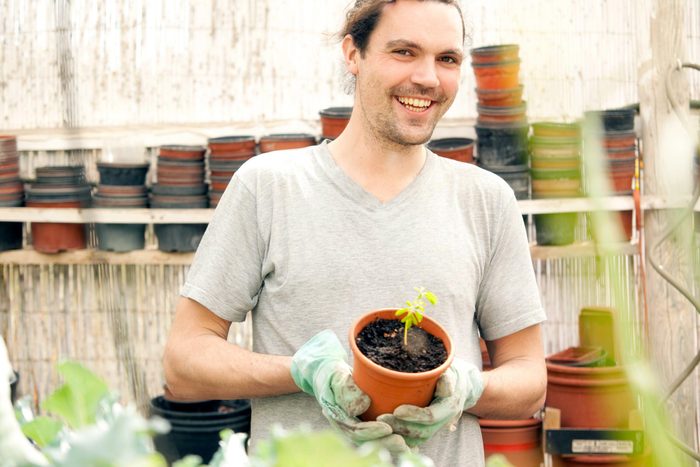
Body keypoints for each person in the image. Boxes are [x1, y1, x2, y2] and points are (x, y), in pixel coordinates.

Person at [163, 0, 547, 465]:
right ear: (353, 54)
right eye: (404, 52)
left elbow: (530, 381)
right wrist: (303, 374)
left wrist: (466, 387)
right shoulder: (269, 188)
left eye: (447, 59)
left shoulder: (486, 200)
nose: (427, 77)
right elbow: (184, 362)